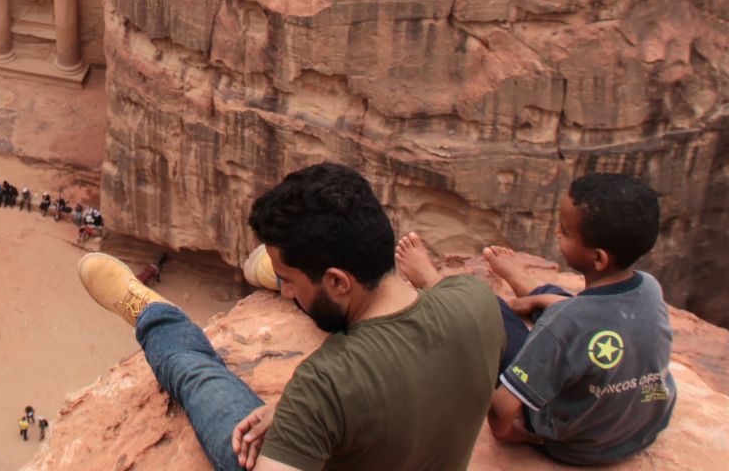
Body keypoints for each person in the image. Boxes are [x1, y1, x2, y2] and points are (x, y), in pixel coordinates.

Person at [76, 162, 500, 471]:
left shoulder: (325, 385)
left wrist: (304, 418)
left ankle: (158, 318)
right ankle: (273, 267)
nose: (290, 293)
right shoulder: (476, 299)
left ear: (337, 281)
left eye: (290, 282)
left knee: (197, 377)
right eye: (284, 281)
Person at [406, 173, 676, 465]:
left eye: (565, 231)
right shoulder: (649, 286)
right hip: (639, 430)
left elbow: (501, 414)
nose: (558, 234)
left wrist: (517, 434)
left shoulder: (563, 324)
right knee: (569, 309)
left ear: (598, 258)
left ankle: (434, 282)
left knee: (489, 308)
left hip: (576, 445)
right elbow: (594, 317)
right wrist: (544, 300)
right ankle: (530, 287)